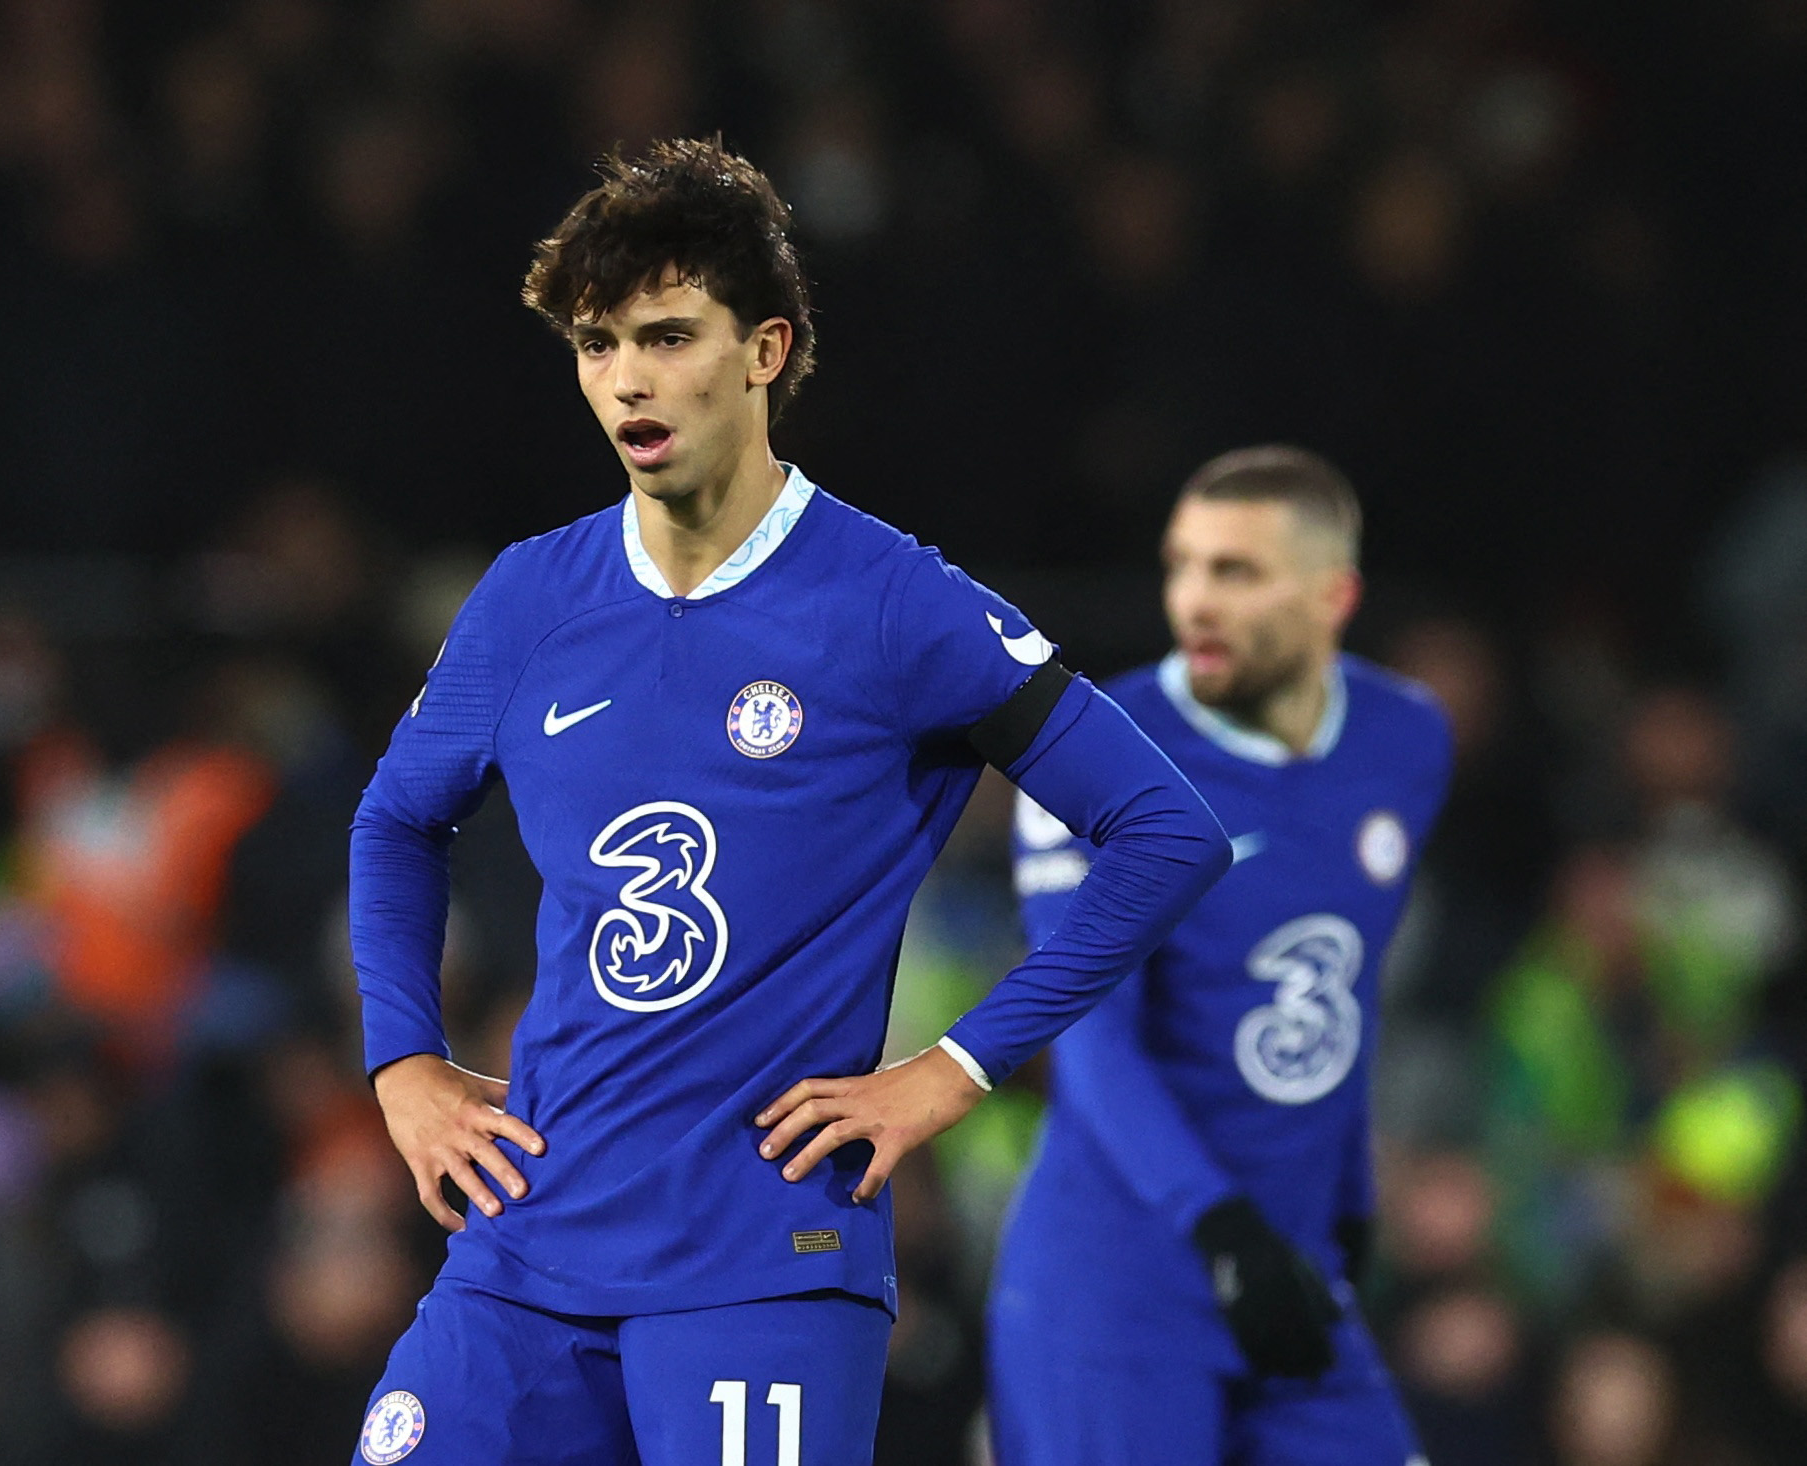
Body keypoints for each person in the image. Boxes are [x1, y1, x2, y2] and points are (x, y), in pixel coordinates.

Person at [345, 138, 1231, 1466]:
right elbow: (396, 818)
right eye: (596, 345)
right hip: (531, 1239)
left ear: (765, 350)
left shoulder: (890, 602)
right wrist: (403, 1057)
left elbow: (1165, 833)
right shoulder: (530, 596)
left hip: (762, 1259)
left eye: (665, 333)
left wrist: (950, 1070)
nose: (628, 379)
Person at [988, 446, 1453, 1466]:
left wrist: (1349, 1196)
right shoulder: (1093, 750)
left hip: (1287, 1262)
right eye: (1180, 564)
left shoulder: (1406, 740)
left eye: (1234, 571)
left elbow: (1346, 985)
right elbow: (1092, 1040)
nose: (1194, 599)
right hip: (1120, 1288)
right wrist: (1218, 1225)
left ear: (1334, 595)